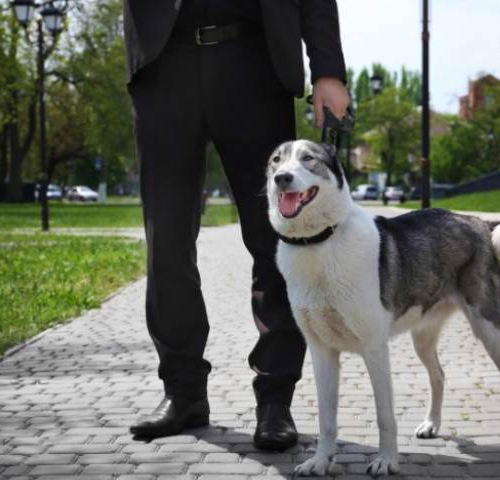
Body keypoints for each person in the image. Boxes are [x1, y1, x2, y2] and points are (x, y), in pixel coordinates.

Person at [123, 0, 350, 451]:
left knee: (275, 240)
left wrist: (328, 70)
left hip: (255, 62)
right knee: (165, 240)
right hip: (164, 63)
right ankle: (183, 392)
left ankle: (275, 400)